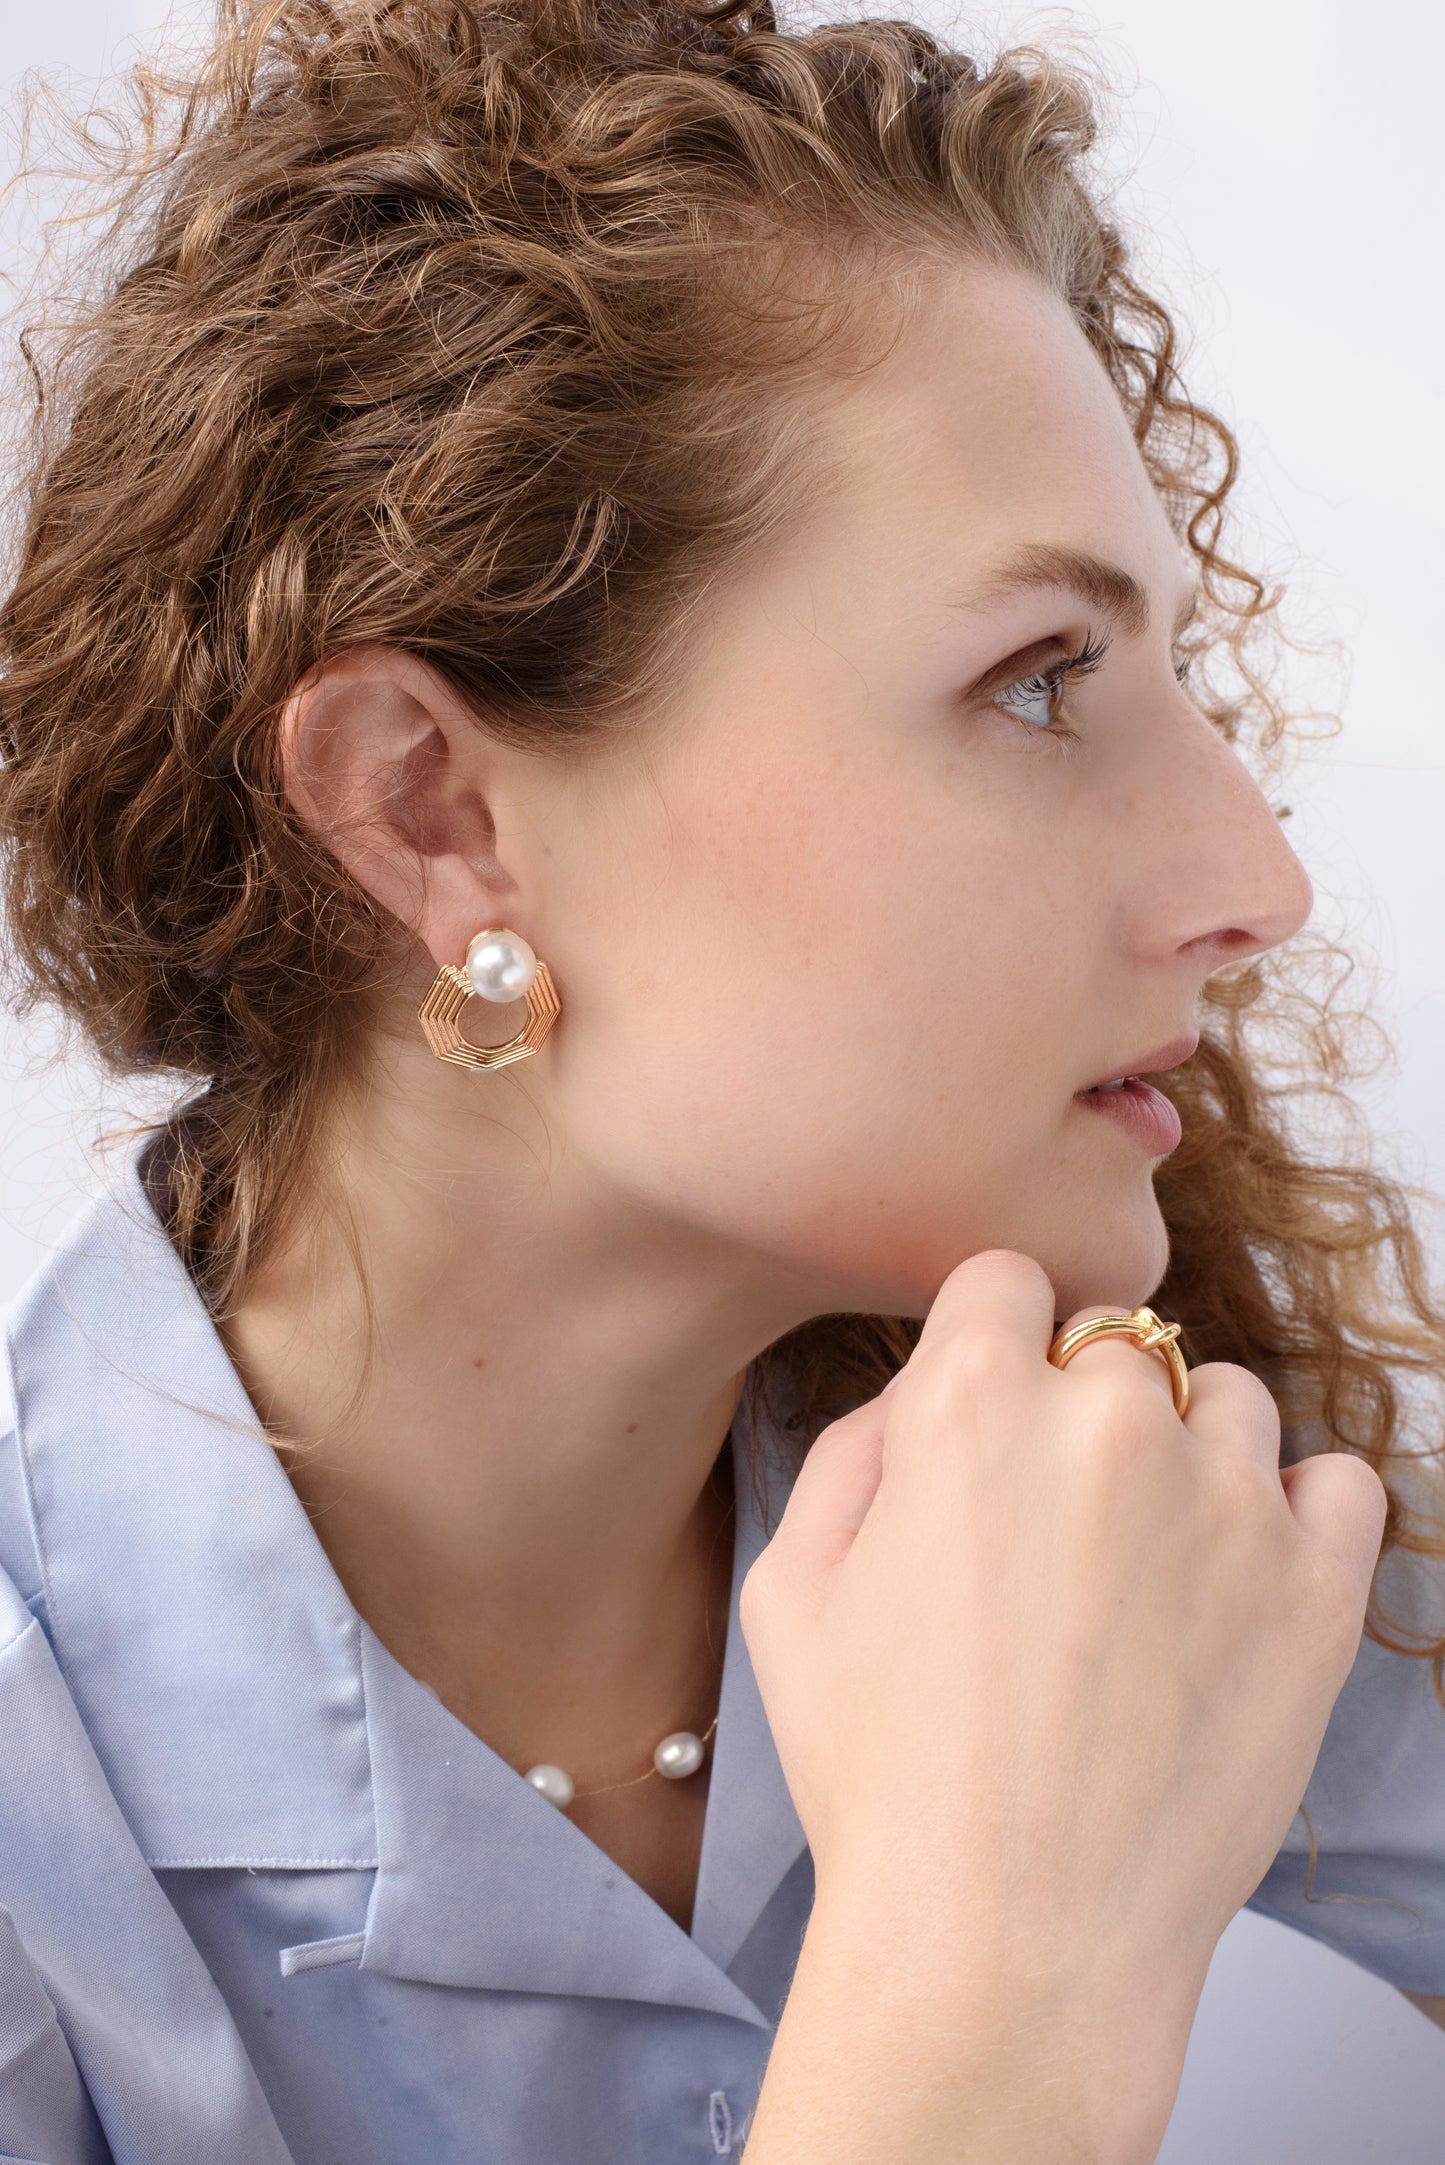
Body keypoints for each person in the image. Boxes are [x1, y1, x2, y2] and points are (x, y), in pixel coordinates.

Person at [0, 0, 1442, 2158]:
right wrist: (992, 2002)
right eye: (1039, 683)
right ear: (433, 814)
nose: (1259, 880)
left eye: (1168, 675)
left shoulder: (1140, 1506)